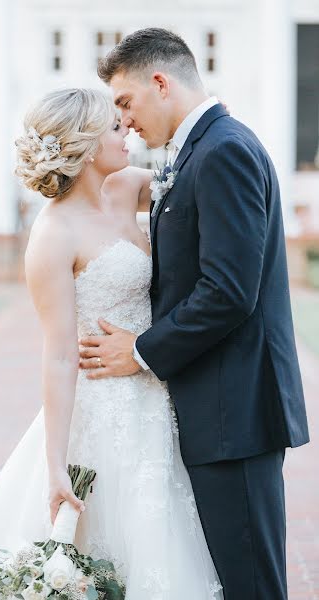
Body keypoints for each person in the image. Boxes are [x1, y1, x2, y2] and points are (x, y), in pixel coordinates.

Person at [0, 87, 223, 599]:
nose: (127, 130)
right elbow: (60, 354)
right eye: (113, 127)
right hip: (103, 407)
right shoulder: (52, 237)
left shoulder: (131, 185)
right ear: (86, 147)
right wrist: (56, 465)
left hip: (157, 391)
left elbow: (204, 188)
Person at [78, 27, 310, 600]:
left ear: (161, 82)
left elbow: (230, 291)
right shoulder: (196, 153)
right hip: (212, 407)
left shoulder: (224, 150)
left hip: (236, 412)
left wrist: (139, 351)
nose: (125, 121)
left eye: (126, 103)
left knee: (250, 584)